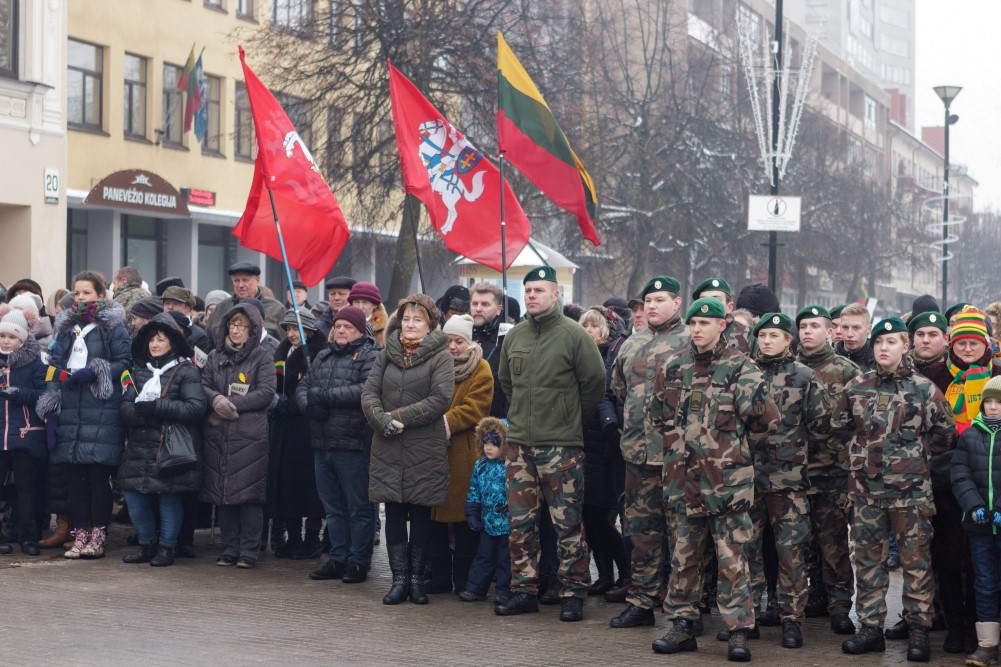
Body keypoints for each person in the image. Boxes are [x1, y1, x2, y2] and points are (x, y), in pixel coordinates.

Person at [648, 297, 778, 661]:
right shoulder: (673, 367)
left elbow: (765, 421)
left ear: (722, 325)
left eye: (705, 323)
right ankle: (682, 625)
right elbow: (659, 416)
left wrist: (725, 449)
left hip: (727, 484)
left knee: (732, 559)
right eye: (693, 323)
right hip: (684, 481)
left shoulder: (741, 369)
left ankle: (738, 630)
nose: (697, 329)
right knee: (684, 558)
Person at [833, 317, 955, 661]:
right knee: (867, 562)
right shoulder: (856, 387)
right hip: (865, 492)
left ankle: (918, 630)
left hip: (911, 494)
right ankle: (870, 628)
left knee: (916, 563)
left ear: (905, 347)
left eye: (891, 342)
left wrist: (913, 460)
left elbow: (945, 436)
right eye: (879, 343)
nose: (884, 348)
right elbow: (839, 428)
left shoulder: (923, 389)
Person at [495, 266, 606, 622]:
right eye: (527, 290)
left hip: (561, 447)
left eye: (539, 290)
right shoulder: (515, 336)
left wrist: (569, 419)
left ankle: (573, 592)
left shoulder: (574, 335)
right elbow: (507, 383)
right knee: (520, 523)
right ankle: (523, 590)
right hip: (519, 447)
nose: (531, 296)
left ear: (555, 294)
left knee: (567, 524)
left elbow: (594, 384)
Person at [362, 294, 454, 605]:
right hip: (387, 444)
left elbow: (441, 398)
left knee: (420, 510)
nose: (410, 324)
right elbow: (369, 393)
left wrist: (398, 417)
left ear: (430, 325)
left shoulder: (440, 356)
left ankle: (417, 580)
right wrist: (379, 418)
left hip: (423, 446)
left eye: (418, 319)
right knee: (396, 511)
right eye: (407, 319)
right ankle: (398, 579)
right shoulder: (386, 353)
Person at [608, 276, 689, 630]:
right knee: (641, 533)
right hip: (638, 456)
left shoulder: (691, 341)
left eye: (660, 299)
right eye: (648, 301)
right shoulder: (632, 343)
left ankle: (686, 610)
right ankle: (641, 602)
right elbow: (619, 389)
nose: (652, 306)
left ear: (677, 303)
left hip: (678, 458)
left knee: (685, 538)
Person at [741, 312, 826, 649]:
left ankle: (792, 620)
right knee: (747, 551)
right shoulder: (745, 373)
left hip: (789, 481)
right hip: (748, 479)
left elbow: (820, 426)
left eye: (775, 335)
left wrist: (800, 458)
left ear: (788, 340)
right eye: (762, 335)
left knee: (791, 552)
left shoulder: (804, 377)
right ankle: (747, 618)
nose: (767, 341)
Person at [36, 271, 131, 560]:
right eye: (76, 293)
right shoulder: (65, 327)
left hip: (101, 409)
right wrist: (51, 404)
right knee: (74, 478)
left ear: (101, 295)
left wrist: (97, 370)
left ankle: (98, 536)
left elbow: (125, 363)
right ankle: (79, 534)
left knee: (97, 477)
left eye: (86, 293)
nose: (80, 298)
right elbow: (54, 366)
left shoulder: (113, 326)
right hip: (70, 409)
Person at [298, 306, 379, 583]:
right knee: (332, 508)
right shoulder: (323, 355)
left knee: (358, 507)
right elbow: (303, 388)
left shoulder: (370, 355)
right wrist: (309, 406)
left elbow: (365, 390)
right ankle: (338, 557)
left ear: (359, 329)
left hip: (353, 444)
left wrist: (325, 396)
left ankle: (358, 561)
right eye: (338, 325)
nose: (342, 330)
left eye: (348, 326)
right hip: (323, 443)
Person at [118, 314, 206, 567]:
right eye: (151, 340)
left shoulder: (186, 371)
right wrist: (142, 415)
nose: (154, 344)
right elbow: (125, 408)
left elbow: (196, 407)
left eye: (160, 339)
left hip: (168, 449)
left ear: (172, 343)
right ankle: (147, 545)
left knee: (169, 499)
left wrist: (158, 407)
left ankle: (167, 548)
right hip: (138, 447)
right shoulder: (138, 371)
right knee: (134, 499)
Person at [795, 305, 860, 635]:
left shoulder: (846, 371)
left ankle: (839, 606)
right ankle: (802, 601)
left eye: (814, 326)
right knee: (796, 545)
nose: (807, 331)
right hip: (793, 472)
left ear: (829, 331)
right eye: (803, 326)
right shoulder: (787, 368)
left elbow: (859, 423)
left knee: (833, 544)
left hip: (832, 472)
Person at [200, 303, 277, 568]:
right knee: (224, 495)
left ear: (252, 330)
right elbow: (204, 385)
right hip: (218, 434)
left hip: (249, 437)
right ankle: (229, 549)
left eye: (242, 326)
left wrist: (231, 404)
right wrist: (216, 399)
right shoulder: (214, 356)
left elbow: (266, 392)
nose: (236, 330)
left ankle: (249, 552)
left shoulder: (262, 356)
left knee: (249, 497)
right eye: (233, 325)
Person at [428, 313, 493, 594]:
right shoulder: (434, 365)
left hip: (463, 454)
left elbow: (476, 407)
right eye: (448, 341)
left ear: (470, 343)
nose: (452, 347)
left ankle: (464, 578)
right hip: (433, 454)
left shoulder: (482, 369)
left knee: (464, 518)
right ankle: (440, 575)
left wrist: (443, 421)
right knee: (435, 519)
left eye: (458, 341)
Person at [578, 306, 629, 595]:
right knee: (591, 517)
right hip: (584, 444)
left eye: (594, 326)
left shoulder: (611, 357)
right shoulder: (580, 355)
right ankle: (605, 576)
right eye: (583, 325)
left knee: (600, 518)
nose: (588, 331)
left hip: (605, 448)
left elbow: (607, 398)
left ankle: (626, 572)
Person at [951, 375, 1001, 667]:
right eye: (989, 402)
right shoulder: (970, 434)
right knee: (985, 582)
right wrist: (974, 505)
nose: (993, 407)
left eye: (998, 402)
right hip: (980, 525)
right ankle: (987, 644)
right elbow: (960, 474)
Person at [271, 309, 326, 560]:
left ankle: (312, 538)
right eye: (289, 329)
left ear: (310, 330)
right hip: (284, 429)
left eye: (297, 329)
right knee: (287, 485)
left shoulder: (317, 353)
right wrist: (276, 401)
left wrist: (293, 403)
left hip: (307, 428)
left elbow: (317, 388)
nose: (292, 334)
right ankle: (293, 536)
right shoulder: (281, 352)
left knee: (309, 487)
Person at [0, 309, 48, 555]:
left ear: (22, 339)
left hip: (25, 434)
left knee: (26, 490)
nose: (6, 341)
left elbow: (45, 394)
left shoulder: (35, 361)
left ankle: (28, 536)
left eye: (12, 336)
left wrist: (21, 393)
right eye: (2, 336)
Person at [459, 417, 512, 603]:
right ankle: (475, 588)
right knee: (484, 556)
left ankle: (505, 590)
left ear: (504, 445)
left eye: (494, 444)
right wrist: (472, 514)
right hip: (488, 521)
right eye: (486, 443)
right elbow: (474, 491)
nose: (489, 447)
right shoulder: (480, 465)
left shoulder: (511, 466)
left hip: (509, 523)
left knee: (507, 559)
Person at [205, 262, 285, 346]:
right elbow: (208, 342)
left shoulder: (276, 309)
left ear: (257, 280)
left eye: (245, 280)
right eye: (236, 280)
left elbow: (284, 345)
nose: (240, 285)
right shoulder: (221, 308)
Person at [469, 282, 509, 419]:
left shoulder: (507, 339)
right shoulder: (461, 336)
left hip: (494, 419)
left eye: (485, 304)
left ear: (499, 309)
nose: (478, 309)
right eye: (475, 304)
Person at [692, 278, 751, 354]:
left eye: (716, 301)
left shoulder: (748, 337)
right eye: (703, 301)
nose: (709, 306)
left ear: (729, 307)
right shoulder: (689, 334)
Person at [162, 286, 210, 356]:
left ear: (188, 309)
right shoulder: (155, 329)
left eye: (176, 304)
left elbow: (200, 365)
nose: (170, 307)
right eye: (167, 303)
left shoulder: (199, 336)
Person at [835, 303, 875, 372]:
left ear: (869, 329)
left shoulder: (878, 362)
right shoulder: (828, 358)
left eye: (856, 328)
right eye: (845, 327)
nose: (849, 334)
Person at [347, 281, 388, 348]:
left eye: (365, 302)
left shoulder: (386, 330)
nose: (360, 307)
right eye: (356, 302)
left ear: (375, 305)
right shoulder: (340, 325)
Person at [112, 266, 151, 335]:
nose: (113, 289)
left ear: (124, 280)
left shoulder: (120, 300)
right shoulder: (149, 297)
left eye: (114, 283)